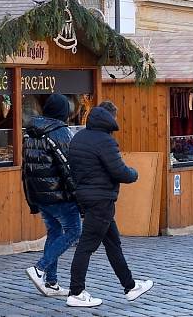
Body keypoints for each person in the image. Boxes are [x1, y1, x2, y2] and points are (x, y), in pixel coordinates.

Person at [66, 101, 153, 307]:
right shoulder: (105, 141)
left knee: (113, 243)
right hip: (101, 200)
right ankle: (76, 292)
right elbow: (119, 171)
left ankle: (130, 286)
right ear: (109, 118)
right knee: (87, 245)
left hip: (86, 196)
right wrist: (135, 173)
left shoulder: (78, 137)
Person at [23, 94, 81, 297]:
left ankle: (51, 282)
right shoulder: (60, 132)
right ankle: (40, 268)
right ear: (62, 112)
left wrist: (30, 196)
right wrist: (79, 195)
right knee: (74, 231)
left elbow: (26, 168)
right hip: (59, 194)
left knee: (55, 232)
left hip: (40, 194)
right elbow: (69, 166)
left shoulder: (31, 132)